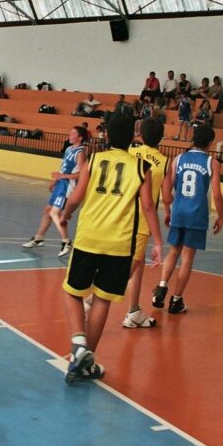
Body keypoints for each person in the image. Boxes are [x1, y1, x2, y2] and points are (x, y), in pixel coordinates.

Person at [58, 113, 164, 385]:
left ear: (106, 136)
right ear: (132, 137)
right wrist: (159, 242)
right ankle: (87, 359)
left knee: (72, 292)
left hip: (89, 237)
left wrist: (66, 213)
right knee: (102, 300)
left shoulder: (94, 160)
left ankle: (78, 344)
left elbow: (77, 196)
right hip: (119, 243)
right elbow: (149, 207)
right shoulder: (141, 167)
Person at [153, 124, 223, 315]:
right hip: (197, 215)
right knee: (187, 258)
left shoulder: (179, 159)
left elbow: (168, 187)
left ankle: (161, 286)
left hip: (179, 212)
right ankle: (176, 301)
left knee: (173, 251)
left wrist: (167, 210)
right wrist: (221, 216)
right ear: (210, 142)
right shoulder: (212, 163)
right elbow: (217, 194)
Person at [123, 118, 169, 329]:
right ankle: (92, 302)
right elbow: (166, 197)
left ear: (140, 133)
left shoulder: (131, 151)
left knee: (138, 264)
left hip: (122, 214)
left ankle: (134, 311)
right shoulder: (164, 162)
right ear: (161, 137)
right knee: (129, 267)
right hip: (142, 220)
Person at [22, 127, 89, 256]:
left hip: (68, 186)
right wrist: (56, 180)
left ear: (80, 137)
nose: (70, 134)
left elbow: (82, 174)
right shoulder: (69, 149)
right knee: (48, 211)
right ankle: (39, 237)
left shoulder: (80, 152)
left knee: (54, 213)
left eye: (73, 133)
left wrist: (62, 177)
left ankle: (66, 241)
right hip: (61, 183)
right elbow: (63, 168)